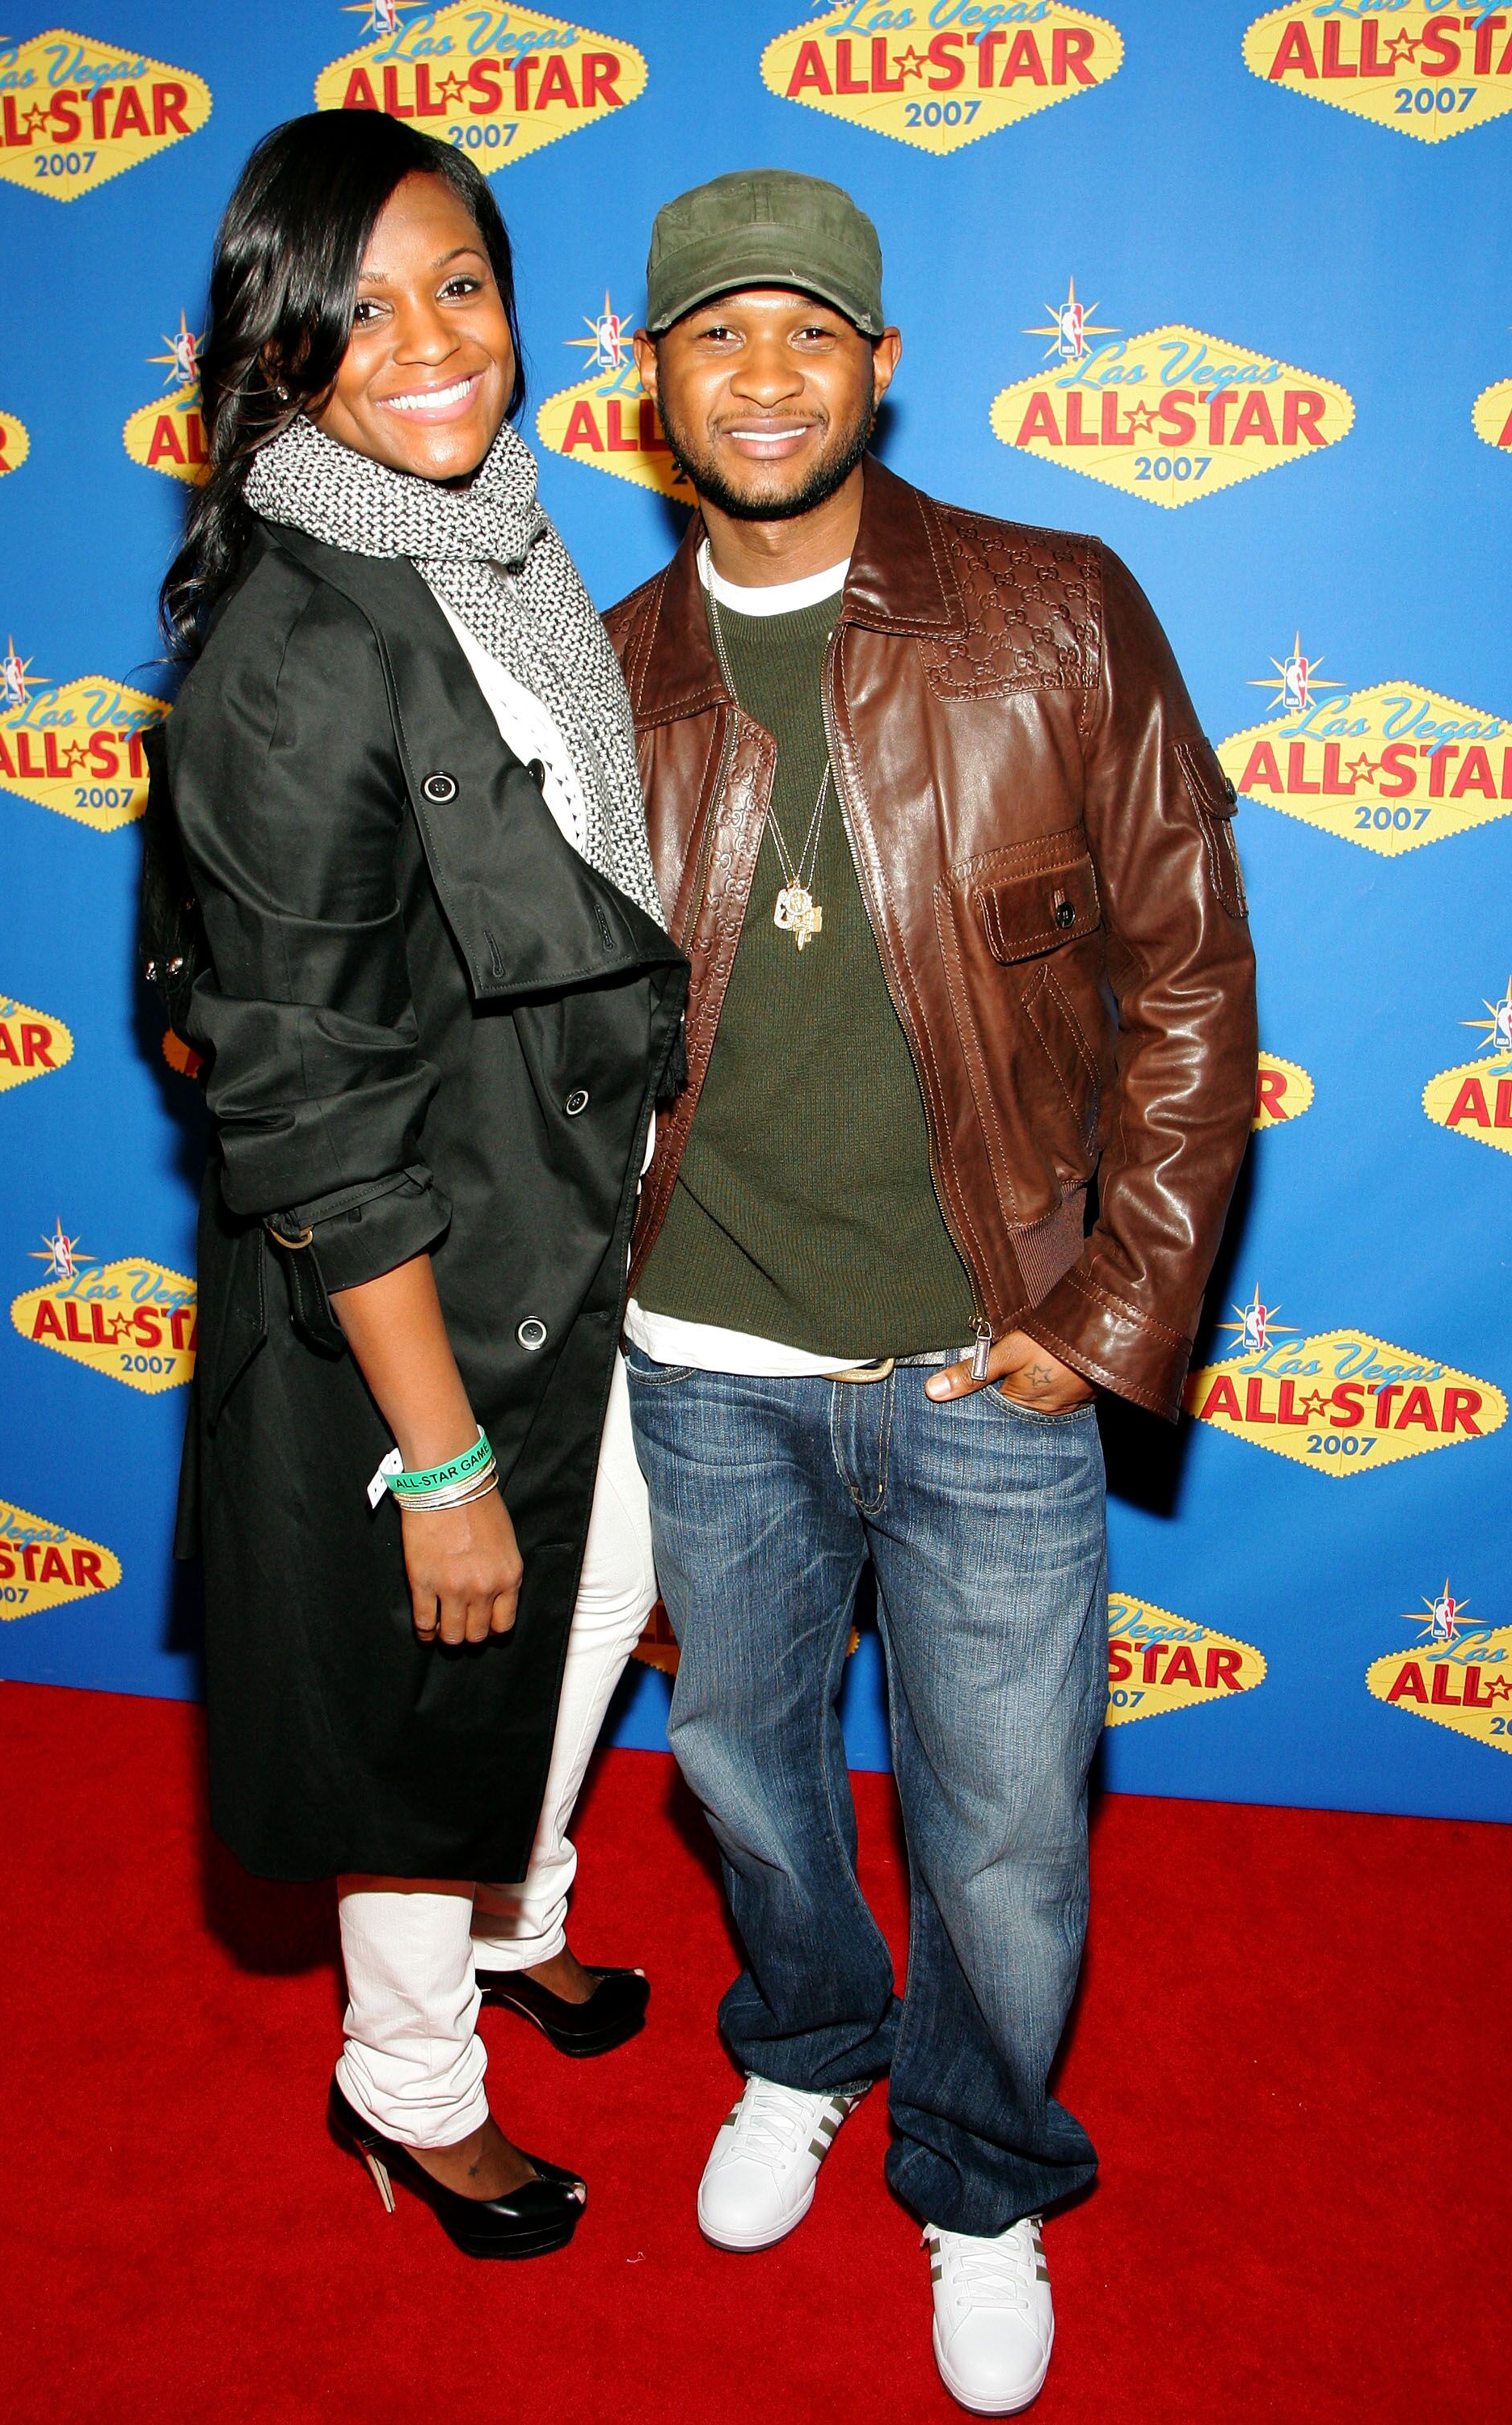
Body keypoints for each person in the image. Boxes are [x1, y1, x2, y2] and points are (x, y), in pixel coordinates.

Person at [607, 171, 1257, 2410]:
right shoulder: (607, 677)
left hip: (987, 1366)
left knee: (998, 1840)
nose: (764, 374)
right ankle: (799, 2044)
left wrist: (1107, 1313)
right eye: (716, 335)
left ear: (882, 366)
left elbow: (1188, 981)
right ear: (653, 385)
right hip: (702, 1364)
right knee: (747, 1784)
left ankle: (977, 2174)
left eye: (809, 331)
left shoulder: (1056, 609)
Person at [150, 112, 686, 2260]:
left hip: (572, 1246)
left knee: (594, 1611)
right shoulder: (304, 647)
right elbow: (309, 1107)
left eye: (457, 283)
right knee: (429, 1680)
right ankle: (409, 2080)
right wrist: (437, 1458)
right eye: (353, 308)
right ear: (275, 351)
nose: (427, 345)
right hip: (428, 1309)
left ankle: (509, 1913)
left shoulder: (497, 554)